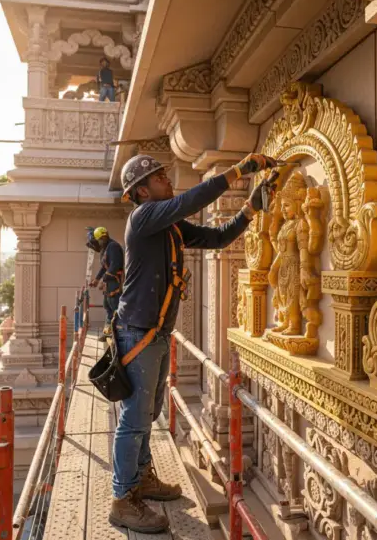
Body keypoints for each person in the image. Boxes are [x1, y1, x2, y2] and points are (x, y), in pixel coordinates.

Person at [108, 152, 277, 533]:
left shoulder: (168, 227)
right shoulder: (144, 218)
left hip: (153, 334)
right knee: (134, 421)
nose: (168, 181)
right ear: (141, 191)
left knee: (147, 415)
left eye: (166, 174)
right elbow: (190, 201)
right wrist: (238, 170)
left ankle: (140, 478)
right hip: (139, 334)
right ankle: (122, 498)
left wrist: (251, 207)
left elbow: (218, 239)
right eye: (160, 177)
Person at [89, 227, 125, 328]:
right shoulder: (105, 248)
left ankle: (119, 330)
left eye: (104, 238)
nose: (102, 240)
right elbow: (104, 267)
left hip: (115, 281)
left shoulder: (113, 246)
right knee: (107, 305)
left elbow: (115, 265)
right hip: (110, 281)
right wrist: (97, 279)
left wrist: (103, 280)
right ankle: (109, 330)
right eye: (101, 239)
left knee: (114, 305)